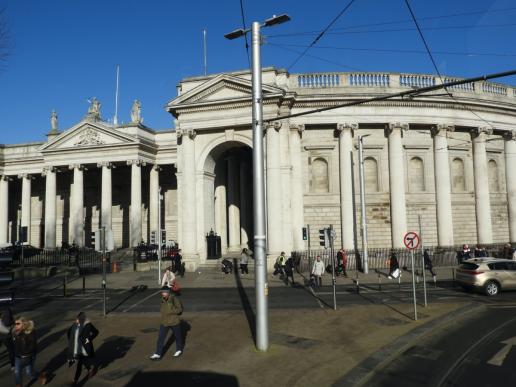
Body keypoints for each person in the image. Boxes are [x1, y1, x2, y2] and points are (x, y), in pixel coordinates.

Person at [10, 316, 46, 386]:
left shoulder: (30, 332)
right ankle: (19, 385)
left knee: (29, 372)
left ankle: (41, 376)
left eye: (18, 323)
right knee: (17, 372)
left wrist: (24, 353)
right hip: (18, 356)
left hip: (29, 356)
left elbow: (32, 347)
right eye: (15, 323)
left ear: (24, 324)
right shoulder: (14, 332)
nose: (15, 325)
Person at [149, 286, 184, 360]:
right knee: (161, 338)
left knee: (178, 336)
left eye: (164, 292)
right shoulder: (162, 299)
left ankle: (179, 350)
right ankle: (158, 353)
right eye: (162, 292)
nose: (163, 293)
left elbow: (180, 309)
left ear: (168, 292)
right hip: (164, 322)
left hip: (174, 322)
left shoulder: (174, 299)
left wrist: (170, 312)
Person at [67, 312, 99, 386]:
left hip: (84, 348)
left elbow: (96, 332)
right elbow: (69, 333)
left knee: (79, 363)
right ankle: (90, 370)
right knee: (83, 360)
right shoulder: (75, 325)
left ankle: (75, 380)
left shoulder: (88, 325)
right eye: (77, 319)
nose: (77, 321)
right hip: (77, 347)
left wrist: (89, 338)